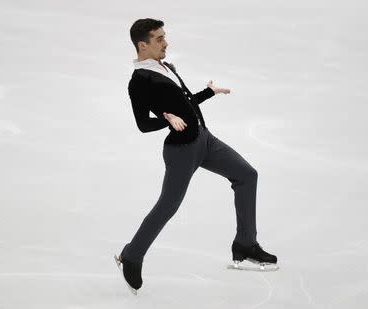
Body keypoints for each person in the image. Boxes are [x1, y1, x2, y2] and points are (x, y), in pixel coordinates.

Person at [117, 18, 277, 292]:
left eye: (164, 37)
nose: (165, 43)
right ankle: (132, 254)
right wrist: (167, 120)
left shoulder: (164, 66)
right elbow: (143, 125)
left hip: (205, 139)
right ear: (142, 45)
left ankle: (245, 243)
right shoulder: (140, 80)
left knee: (247, 175)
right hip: (181, 149)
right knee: (168, 206)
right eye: (159, 39)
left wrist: (209, 93)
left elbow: (186, 101)